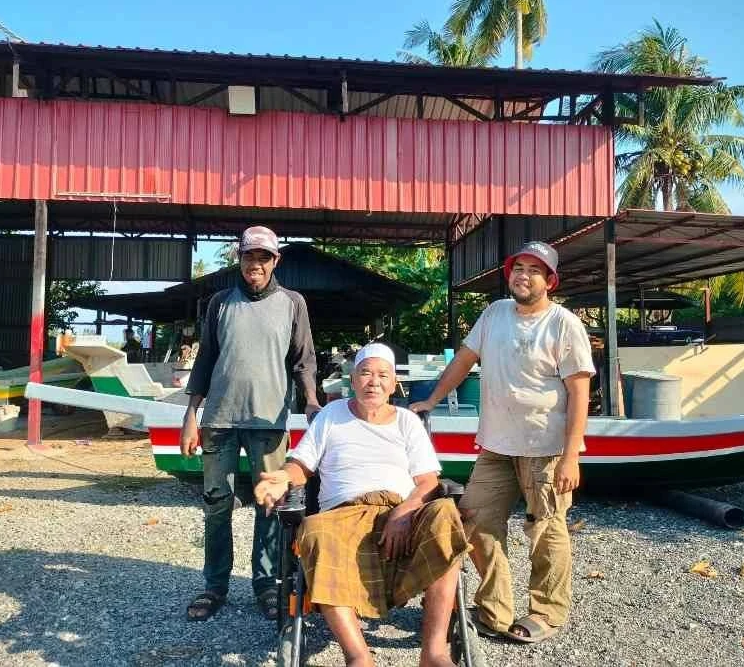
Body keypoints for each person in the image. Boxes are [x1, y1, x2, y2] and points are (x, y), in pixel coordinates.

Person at [411, 240, 595, 644]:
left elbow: (580, 391)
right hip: (495, 444)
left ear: (550, 281)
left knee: (546, 531)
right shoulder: (494, 313)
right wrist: (432, 399)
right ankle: (495, 609)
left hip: (546, 448)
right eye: (518, 268)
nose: (523, 276)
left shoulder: (564, 324)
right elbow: (464, 359)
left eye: (534, 270)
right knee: (475, 520)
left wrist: (571, 456)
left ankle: (547, 612)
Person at [255, 343, 470, 667]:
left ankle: (434, 653)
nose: (374, 382)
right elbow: (301, 465)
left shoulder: (407, 422)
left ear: (394, 383)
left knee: (445, 514)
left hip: (401, 510)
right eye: (366, 373)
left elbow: (428, 482)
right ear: (353, 380)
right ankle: (358, 657)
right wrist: (283, 478)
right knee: (313, 529)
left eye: (383, 375)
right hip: (344, 513)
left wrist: (404, 512)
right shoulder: (331, 415)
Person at [181, 225, 321, 622]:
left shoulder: (293, 303)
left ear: (276, 260)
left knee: (271, 504)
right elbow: (206, 359)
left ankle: (266, 585)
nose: (255, 264)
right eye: (248, 256)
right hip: (219, 419)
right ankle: (214, 585)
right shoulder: (220, 303)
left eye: (263, 257)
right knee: (217, 504)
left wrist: (312, 400)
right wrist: (190, 415)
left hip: (268, 421)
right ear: (239, 259)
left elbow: (304, 359)